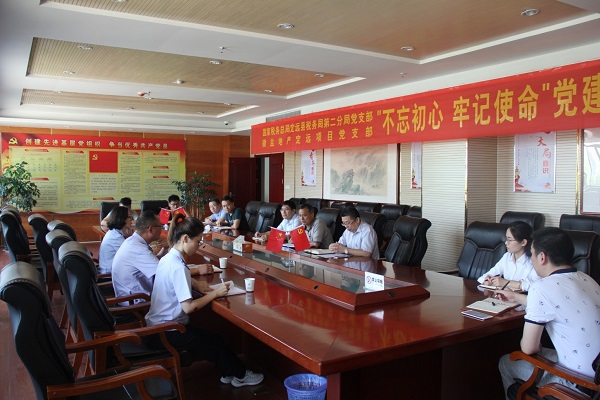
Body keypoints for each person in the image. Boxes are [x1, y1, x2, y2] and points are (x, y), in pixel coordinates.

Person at [145, 213, 264, 387]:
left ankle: (229, 372)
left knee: (211, 339)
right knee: (213, 341)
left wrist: (196, 284)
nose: (199, 245)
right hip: (168, 330)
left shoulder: (168, 258)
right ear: (185, 238)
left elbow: (178, 279)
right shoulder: (178, 266)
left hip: (157, 326)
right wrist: (215, 294)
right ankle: (241, 375)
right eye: (198, 241)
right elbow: (189, 308)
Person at [497, 227, 600, 398]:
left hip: (582, 384)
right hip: (595, 370)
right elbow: (560, 305)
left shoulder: (542, 287)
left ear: (542, 257)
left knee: (507, 362)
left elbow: (529, 348)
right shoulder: (587, 279)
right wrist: (516, 297)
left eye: (531, 254)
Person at [112, 211, 213, 301]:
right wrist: (197, 273)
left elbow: (158, 263)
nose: (162, 229)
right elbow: (166, 273)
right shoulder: (137, 249)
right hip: (135, 302)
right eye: (160, 226)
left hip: (134, 295)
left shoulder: (134, 242)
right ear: (151, 229)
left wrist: (165, 248)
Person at [477, 221, 540, 291]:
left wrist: (506, 282)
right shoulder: (507, 256)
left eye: (510, 240)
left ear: (523, 242)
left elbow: (536, 286)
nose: (506, 243)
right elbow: (489, 274)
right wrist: (487, 279)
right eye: (506, 239)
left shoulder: (533, 261)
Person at [98, 206, 133, 274]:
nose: (132, 219)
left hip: (113, 269)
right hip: (109, 274)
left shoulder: (114, 232)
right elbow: (131, 255)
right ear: (122, 219)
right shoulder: (115, 238)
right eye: (129, 217)